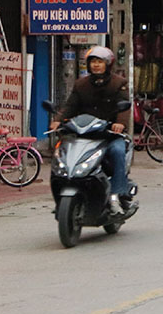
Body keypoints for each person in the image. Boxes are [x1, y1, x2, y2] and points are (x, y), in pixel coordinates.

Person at [49, 46, 133, 214]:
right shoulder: (81, 85)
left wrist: (120, 124)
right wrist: (57, 121)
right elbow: (70, 106)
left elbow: (124, 108)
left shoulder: (119, 84)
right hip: (85, 133)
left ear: (107, 64)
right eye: (93, 62)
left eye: (99, 62)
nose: (96, 65)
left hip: (109, 133)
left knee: (117, 151)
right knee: (63, 152)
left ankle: (117, 194)